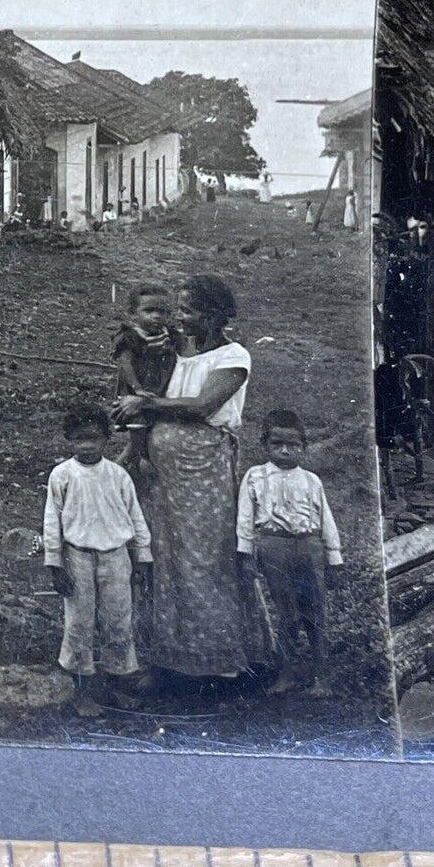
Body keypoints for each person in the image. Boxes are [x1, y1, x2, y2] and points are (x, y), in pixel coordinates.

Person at [110, 273, 251, 685]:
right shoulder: (176, 350)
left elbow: (202, 406)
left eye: (188, 311)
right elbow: (135, 357)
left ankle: (216, 661)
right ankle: (171, 659)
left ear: (214, 316)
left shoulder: (234, 357)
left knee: (203, 559)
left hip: (202, 473)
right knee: (165, 560)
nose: (180, 318)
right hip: (163, 474)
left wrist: (145, 404)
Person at [43, 404, 153, 718]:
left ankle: (116, 688)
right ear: (69, 440)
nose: (87, 446)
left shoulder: (117, 475)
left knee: (118, 623)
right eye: (79, 439)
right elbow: (52, 524)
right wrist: (55, 565)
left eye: (93, 438)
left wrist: (143, 557)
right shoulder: (62, 475)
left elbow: (136, 517)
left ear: (106, 439)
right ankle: (83, 693)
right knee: (79, 625)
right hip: (77, 559)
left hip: (116, 558)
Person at [237, 409, 343, 696]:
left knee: (315, 609)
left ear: (304, 447)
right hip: (274, 547)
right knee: (286, 613)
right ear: (264, 445)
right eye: (277, 444)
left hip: (309, 546)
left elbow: (326, 522)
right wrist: (246, 555)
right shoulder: (255, 477)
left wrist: (334, 559)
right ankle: (286, 672)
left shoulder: (311, 481)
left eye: (293, 445)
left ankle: (321, 675)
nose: (285, 451)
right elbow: (245, 520)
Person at [110, 283, 179, 476]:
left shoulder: (168, 335)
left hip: (159, 387)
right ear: (133, 313)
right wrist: (138, 389)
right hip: (136, 388)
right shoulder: (132, 336)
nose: (156, 316)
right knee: (138, 430)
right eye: (149, 311)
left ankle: (141, 462)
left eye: (162, 312)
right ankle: (126, 463)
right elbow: (126, 365)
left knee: (153, 426)